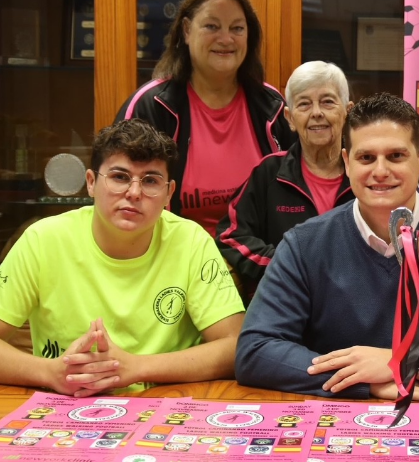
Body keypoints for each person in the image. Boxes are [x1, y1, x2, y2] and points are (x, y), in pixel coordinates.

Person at [235, 93, 419, 399]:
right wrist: (368, 385)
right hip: (338, 423)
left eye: (396, 156)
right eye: (366, 158)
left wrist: (406, 363)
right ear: (346, 162)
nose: (381, 171)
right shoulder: (304, 244)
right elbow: (256, 351)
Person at [0, 119, 245, 397]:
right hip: (67, 402)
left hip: (166, 405)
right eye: (120, 177)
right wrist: (50, 373)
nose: (134, 192)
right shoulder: (42, 240)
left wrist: (134, 367)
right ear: (91, 183)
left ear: (169, 194)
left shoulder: (191, 241)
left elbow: (235, 346)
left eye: (151, 180)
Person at [116, 0, 296, 235]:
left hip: (255, 265)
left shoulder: (273, 106)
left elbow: (299, 195)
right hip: (172, 263)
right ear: (187, 31)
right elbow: (123, 197)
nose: (226, 39)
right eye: (212, 26)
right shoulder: (151, 106)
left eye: (237, 28)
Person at [216, 61, 356, 304]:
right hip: (283, 301)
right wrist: (286, 265)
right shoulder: (269, 172)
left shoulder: (365, 173)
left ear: (347, 112)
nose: (316, 113)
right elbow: (230, 235)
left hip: (352, 303)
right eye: (304, 104)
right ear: (290, 119)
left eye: (327, 102)